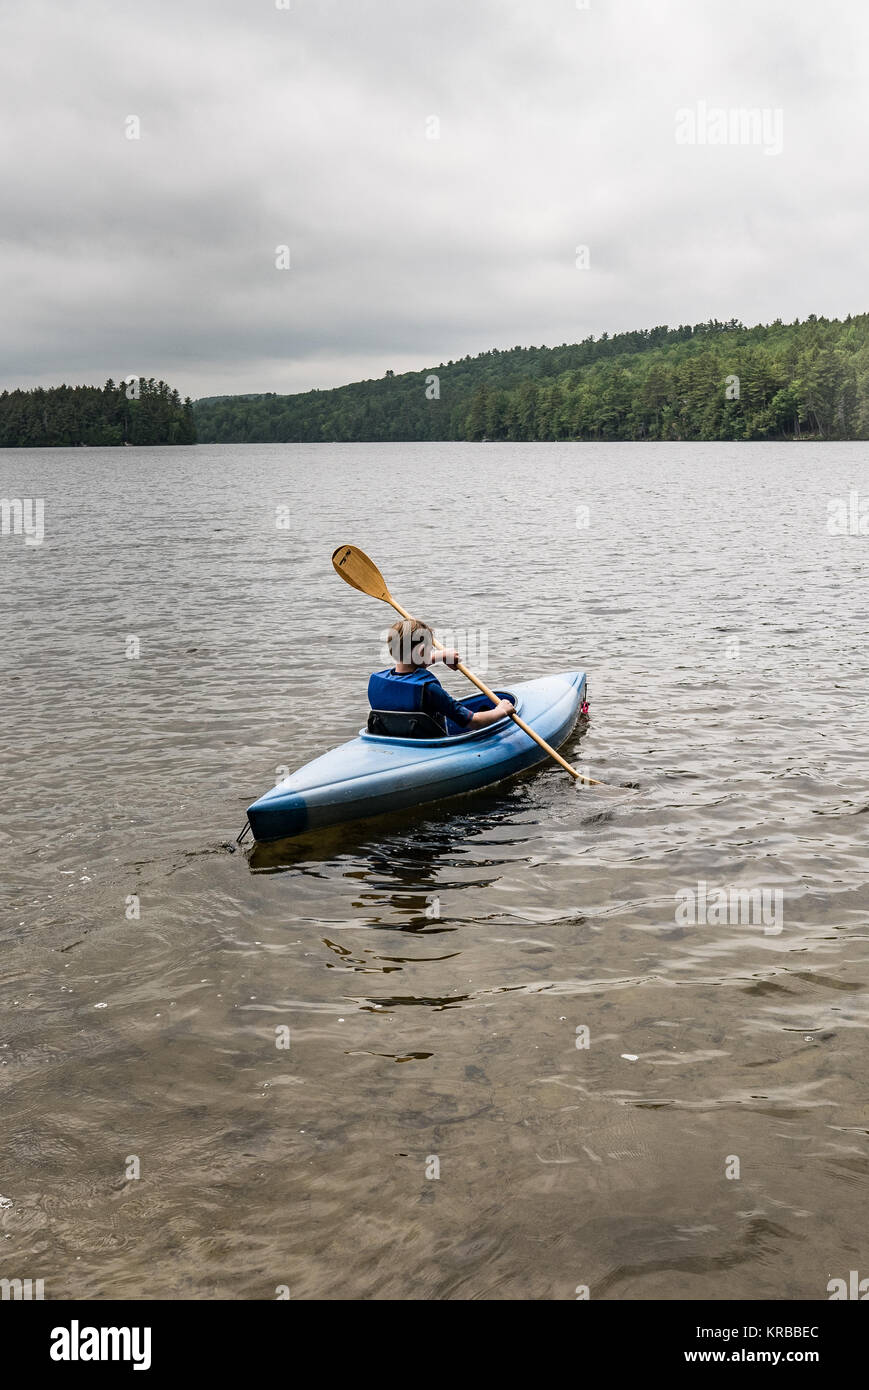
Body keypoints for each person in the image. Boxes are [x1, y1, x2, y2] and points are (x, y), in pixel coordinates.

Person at [368, 618, 514, 734]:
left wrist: (441, 656)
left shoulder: (377, 681)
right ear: (421, 652)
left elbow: (410, 666)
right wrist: (500, 710)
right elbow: (474, 722)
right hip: (428, 747)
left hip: (394, 740)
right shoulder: (429, 690)